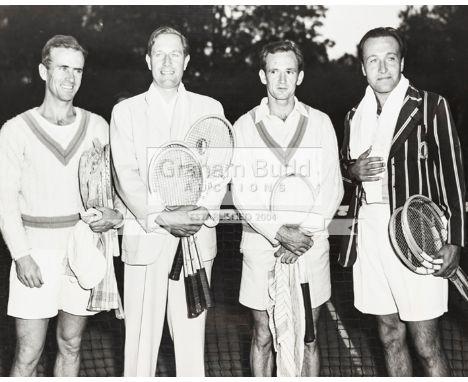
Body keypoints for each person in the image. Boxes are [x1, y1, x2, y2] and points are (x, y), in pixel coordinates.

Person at [339, 27, 465, 377]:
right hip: (370, 234)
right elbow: (343, 169)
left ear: (402, 62)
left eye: (390, 58)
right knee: (390, 336)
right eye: (373, 60)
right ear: (363, 68)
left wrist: (454, 240)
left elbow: (453, 175)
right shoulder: (353, 116)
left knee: (426, 344)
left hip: (417, 233)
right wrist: (352, 170)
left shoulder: (430, 105)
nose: (382, 68)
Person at [0, 35, 123, 377]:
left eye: (78, 70)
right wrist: (21, 255)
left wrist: (115, 215)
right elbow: (4, 200)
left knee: (71, 344)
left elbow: (114, 190)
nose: (71, 77)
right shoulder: (15, 130)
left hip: (81, 250)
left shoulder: (98, 125)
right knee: (28, 352)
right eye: (63, 68)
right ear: (44, 71)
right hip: (35, 253)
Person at [110, 26, 227, 377]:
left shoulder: (210, 108)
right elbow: (125, 174)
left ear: (186, 60)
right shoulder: (126, 112)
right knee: (140, 346)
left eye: (174, 53)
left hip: (195, 239)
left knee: (192, 348)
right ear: (148, 60)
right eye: (159, 53)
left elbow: (220, 169)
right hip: (146, 241)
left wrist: (199, 213)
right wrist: (161, 216)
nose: (166, 61)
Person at [231, 40, 343, 376]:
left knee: (308, 337)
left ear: (301, 76)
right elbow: (242, 193)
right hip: (262, 246)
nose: (282, 80)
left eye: (289, 71)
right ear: (262, 76)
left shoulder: (320, 122)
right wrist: (279, 233)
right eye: (274, 71)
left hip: (310, 247)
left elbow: (332, 187)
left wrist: (303, 234)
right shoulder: (244, 126)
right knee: (264, 335)